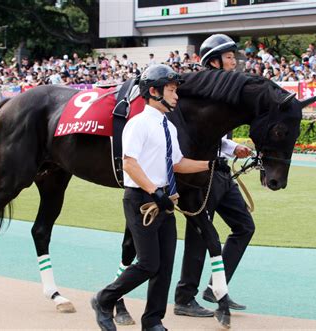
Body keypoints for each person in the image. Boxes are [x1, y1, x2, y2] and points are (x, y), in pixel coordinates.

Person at [91, 64, 228, 331]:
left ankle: (152, 321)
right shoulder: (137, 124)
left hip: (164, 199)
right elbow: (129, 164)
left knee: (165, 267)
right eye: (171, 90)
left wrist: (210, 164)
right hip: (142, 200)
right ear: (153, 91)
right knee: (148, 264)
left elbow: (177, 162)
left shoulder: (169, 126)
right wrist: (155, 192)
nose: (176, 95)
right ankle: (103, 299)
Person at [173, 33, 255, 318]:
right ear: (214, 61)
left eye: (234, 57)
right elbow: (197, 134)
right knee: (198, 232)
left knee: (245, 226)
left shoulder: (226, 92)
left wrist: (233, 148)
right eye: (230, 58)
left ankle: (215, 288)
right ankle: (184, 298)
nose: (235, 63)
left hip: (221, 172)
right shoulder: (200, 93)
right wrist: (232, 147)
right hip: (200, 172)